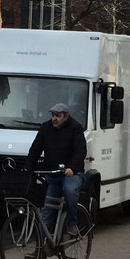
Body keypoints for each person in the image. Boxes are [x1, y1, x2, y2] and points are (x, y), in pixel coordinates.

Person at [26, 102, 86, 244]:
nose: (54, 118)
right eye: (53, 115)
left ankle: (72, 223)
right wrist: (27, 169)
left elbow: (80, 150)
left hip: (71, 174)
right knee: (45, 211)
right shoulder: (45, 128)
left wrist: (72, 168)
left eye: (58, 116)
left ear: (66, 116)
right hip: (52, 175)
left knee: (70, 190)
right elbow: (35, 150)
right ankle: (41, 248)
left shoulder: (75, 128)